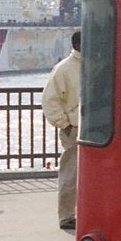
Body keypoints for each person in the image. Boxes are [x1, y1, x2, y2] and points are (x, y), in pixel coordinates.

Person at [42, 31, 81, 230]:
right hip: (75, 127)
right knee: (71, 174)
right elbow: (50, 100)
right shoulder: (65, 68)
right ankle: (66, 216)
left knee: (79, 174)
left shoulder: (75, 66)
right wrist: (64, 125)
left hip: (87, 126)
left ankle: (81, 213)